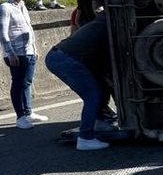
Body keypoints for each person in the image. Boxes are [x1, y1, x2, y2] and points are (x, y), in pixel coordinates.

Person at [44, 15, 114, 151]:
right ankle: (85, 138)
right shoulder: (108, 28)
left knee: (97, 88)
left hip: (60, 56)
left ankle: (98, 121)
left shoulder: (102, 23)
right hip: (66, 59)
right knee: (92, 95)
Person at [1, 0, 49, 129]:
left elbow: (28, 27)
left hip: (28, 51)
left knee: (27, 83)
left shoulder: (22, 5)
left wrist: (34, 48)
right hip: (16, 53)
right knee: (18, 84)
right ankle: (20, 117)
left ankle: (28, 112)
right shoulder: (5, 7)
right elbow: (3, 33)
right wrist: (10, 53)